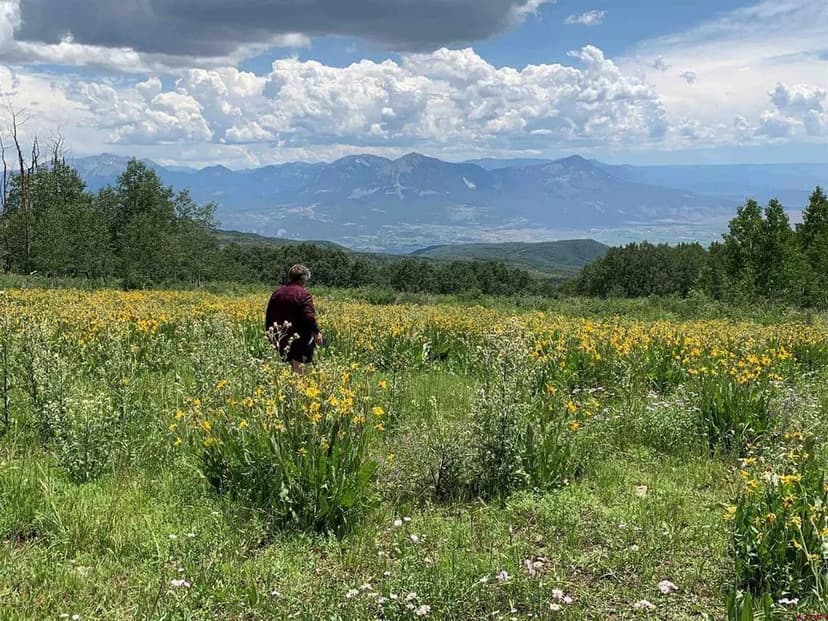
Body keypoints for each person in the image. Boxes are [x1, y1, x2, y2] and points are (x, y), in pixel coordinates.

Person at [265, 264, 323, 374]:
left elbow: (269, 317)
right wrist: (317, 332)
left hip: (281, 339)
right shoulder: (304, 294)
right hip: (300, 342)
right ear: (304, 279)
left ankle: (291, 390)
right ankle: (297, 391)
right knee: (301, 375)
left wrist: (272, 338)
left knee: (290, 372)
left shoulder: (277, 293)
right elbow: (309, 317)